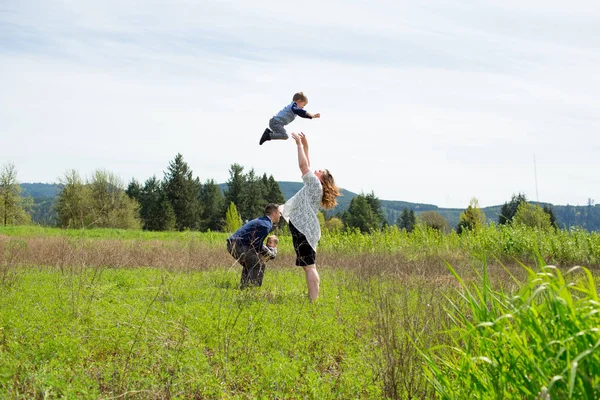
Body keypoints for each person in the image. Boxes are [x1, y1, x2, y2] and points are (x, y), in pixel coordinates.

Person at [279, 132, 341, 300]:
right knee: (308, 266)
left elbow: (303, 166)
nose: (317, 170)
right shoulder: (315, 185)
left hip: (305, 231)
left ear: (322, 179)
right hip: (304, 230)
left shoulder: (315, 185)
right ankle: (313, 298)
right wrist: (305, 145)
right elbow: (307, 163)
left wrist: (299, 145)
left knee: (310, 267)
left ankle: (314, 301)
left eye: (320, 171)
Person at [226, 204, 281, 288]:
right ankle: (252, 289)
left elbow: (255, 243)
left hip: (233, 244)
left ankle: (244, 287)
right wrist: (270, 253)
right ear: (274, 213)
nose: (280, 215)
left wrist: (265, 252)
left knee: (250, 263)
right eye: (279, 213)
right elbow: (256, 244)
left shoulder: (262, 221)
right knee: (257, 264)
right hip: (238, 245)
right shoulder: (266, 225)